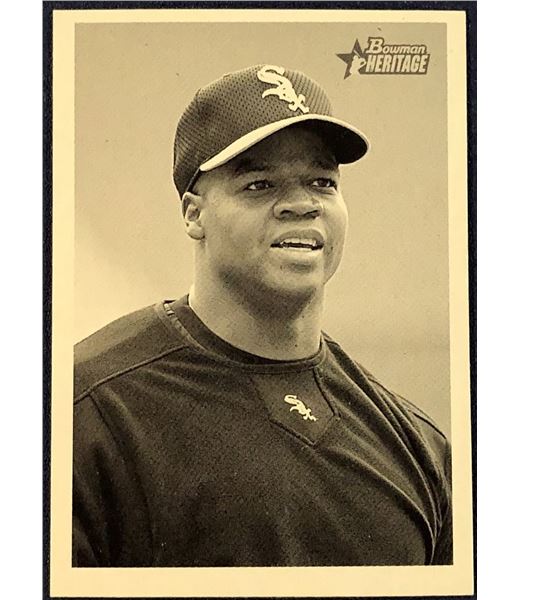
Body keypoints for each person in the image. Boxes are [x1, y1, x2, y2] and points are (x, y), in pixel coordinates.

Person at [72, 64, 452, 567]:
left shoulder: (418, 446)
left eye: (322, 181)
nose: (301, 204)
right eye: (259, 184)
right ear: (193, 213)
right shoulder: (86, 407)